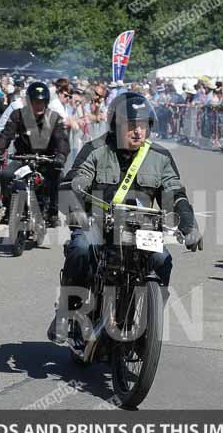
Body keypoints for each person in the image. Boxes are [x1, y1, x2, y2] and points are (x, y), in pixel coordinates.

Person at [48, 92, 202, 343]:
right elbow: (74, 181)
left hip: (141, 229)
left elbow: (175, 194)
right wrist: (76, 208)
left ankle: (149, 322)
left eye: (142, 126)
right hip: (98, 223)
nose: (138, 132)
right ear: (116, 126)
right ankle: (67, 312)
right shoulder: (96, 150)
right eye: (132, 126)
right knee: (81, 247)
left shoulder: (159, 157)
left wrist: (189, 224)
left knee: (163, 259)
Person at [0, 81, 69, 227]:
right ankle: (9, 208)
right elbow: (5, 136)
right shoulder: (18, 115)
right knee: (5, 175)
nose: (38, 105)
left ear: (46, 103)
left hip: (47, 160)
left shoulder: (54, 117)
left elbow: (61, 139)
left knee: (57, 176)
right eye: (35, 102)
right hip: (23, 158)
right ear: (29, 101)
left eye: (41, 102)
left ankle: (52, 212)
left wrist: (61, 155)